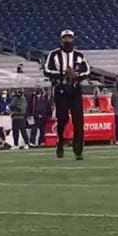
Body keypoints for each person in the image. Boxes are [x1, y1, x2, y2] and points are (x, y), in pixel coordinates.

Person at [42, 29, 90, 160]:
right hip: (61, 89)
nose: (67, 40)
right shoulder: (54, 55)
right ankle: (60, 141)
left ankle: (78, 150)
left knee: (78, 121)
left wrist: (76, 75)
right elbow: (47, 70)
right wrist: (63, 74)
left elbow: (87, 71)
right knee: (62, 118)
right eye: (65, 38)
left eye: (70, 38)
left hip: (75, 89)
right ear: (61, 40)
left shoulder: (79, 55)